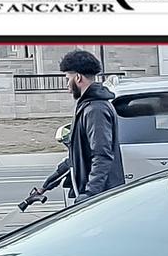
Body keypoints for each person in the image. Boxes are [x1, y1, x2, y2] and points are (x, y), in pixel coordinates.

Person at [29, 49, 125, 204]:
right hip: (96, 196)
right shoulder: (88, 106)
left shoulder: (96, 110)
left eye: (68, 78)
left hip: (101, 199)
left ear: (78, 77)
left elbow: (102, 156)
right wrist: (45, 186)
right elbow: (75, 158)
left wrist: (89, 195)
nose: (67, 84)